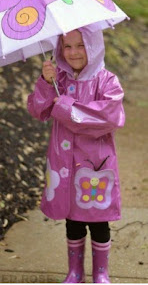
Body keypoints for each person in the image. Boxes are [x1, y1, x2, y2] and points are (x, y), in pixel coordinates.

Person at [27, 28, 125, 284]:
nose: (73, 52)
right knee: (72, 217)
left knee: (98, 219)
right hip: (63, 163)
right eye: (67, 46)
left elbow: (107, 117)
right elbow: (38, 110)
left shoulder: (107, 81)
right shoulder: (57, 78)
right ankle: (75, 271)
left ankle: (101, 273)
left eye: (80, 45)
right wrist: (45, 83)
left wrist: (64, 106)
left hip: (95, 166)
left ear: (93, 45)